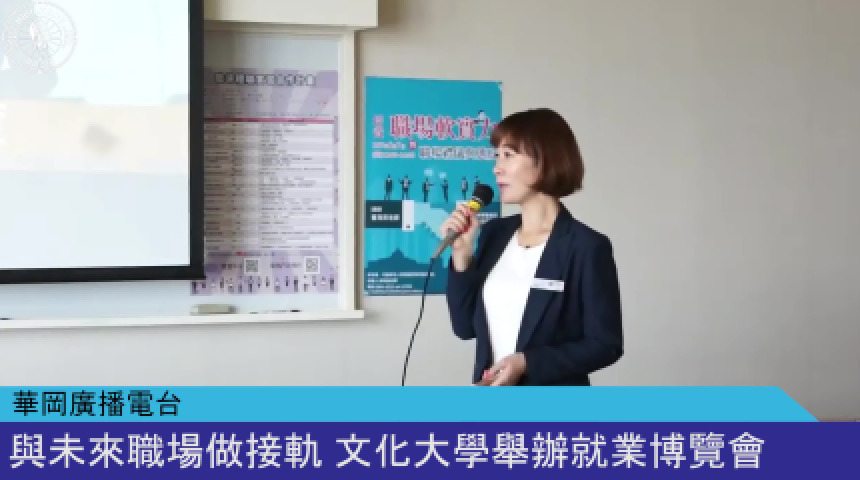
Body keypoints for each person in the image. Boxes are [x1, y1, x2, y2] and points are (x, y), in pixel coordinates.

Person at [441, 107, 623, 386]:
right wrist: (462, 255)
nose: (496, 167)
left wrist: (527, 362)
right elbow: (464, 328)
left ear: (544, 160)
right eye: (496, 155)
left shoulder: (586, 246)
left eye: (508, 155)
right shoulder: (494, 234)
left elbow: (605, 344)